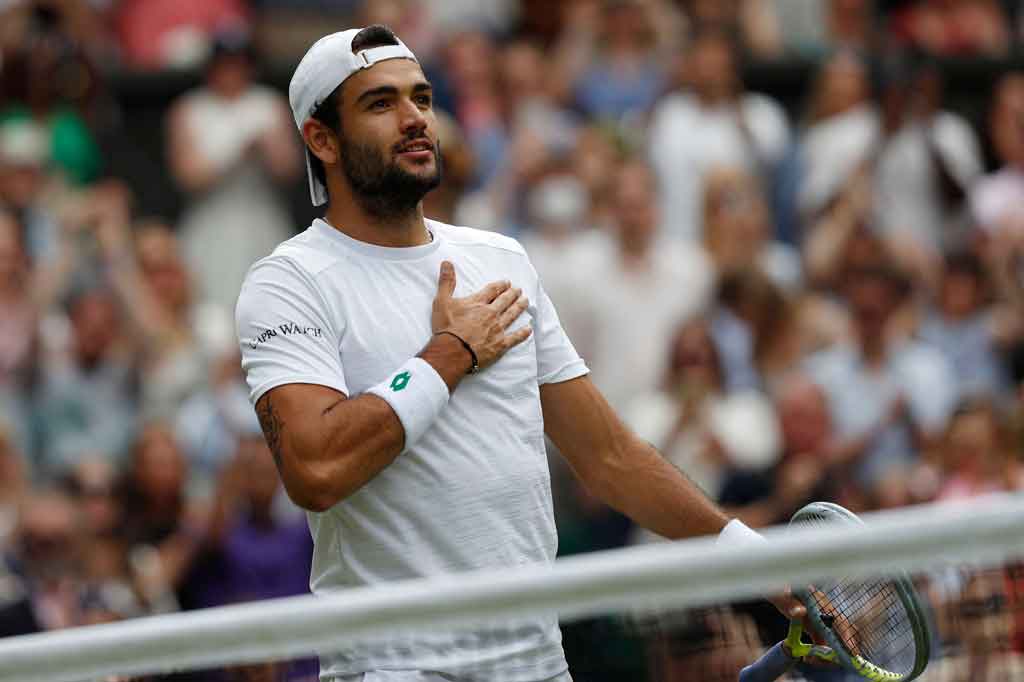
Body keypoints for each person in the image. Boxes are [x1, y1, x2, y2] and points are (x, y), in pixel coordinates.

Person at [235, 25, 803, 682]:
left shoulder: (500, 260)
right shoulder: (288, 282)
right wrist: (448, 356)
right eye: (380, 103)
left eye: (420, 97)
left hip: (536, 665)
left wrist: (759, 563)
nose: (416, 118)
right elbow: (315, 470)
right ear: (321, 138)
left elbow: (612, 458)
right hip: (392, 668)